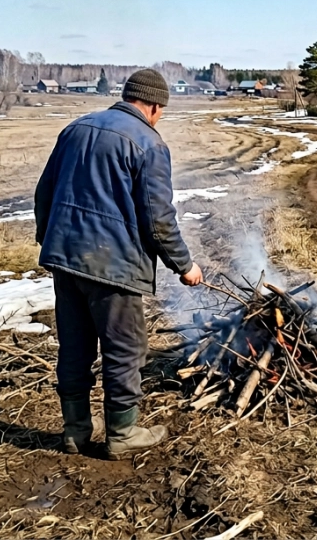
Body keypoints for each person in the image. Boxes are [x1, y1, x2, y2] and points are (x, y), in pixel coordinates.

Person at [34, 69, 203, 459]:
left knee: (74, 346)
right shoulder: (149, 143)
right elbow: (158, 219)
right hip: (114, 265)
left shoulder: (76, 129)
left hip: (67, 258)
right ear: (155, 106)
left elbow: (44, 191)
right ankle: (122, 433)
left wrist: (51, 239)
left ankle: (75, 432)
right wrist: (184, 265)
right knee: (124, 348)